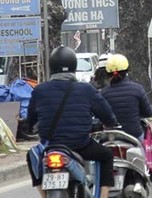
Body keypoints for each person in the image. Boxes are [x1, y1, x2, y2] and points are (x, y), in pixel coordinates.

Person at [26, 47, 119, 198]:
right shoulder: (86, 89)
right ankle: (103, 195)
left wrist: (30, 127)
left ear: (52, 66)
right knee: (107, 155)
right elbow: (106, 114)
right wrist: (111, 122)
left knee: (31, 157)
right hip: (80, 145)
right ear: (74, 66)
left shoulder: (39, 90)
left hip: (50, 146)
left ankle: (44, 195)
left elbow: (30, 120)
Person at [100, 54, 152, 141]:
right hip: (134, 134)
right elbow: (148, 112)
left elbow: (100, 115)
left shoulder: (103, 93)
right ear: (126, 71)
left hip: (111, 136)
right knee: (142, 150)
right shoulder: (137, 89)